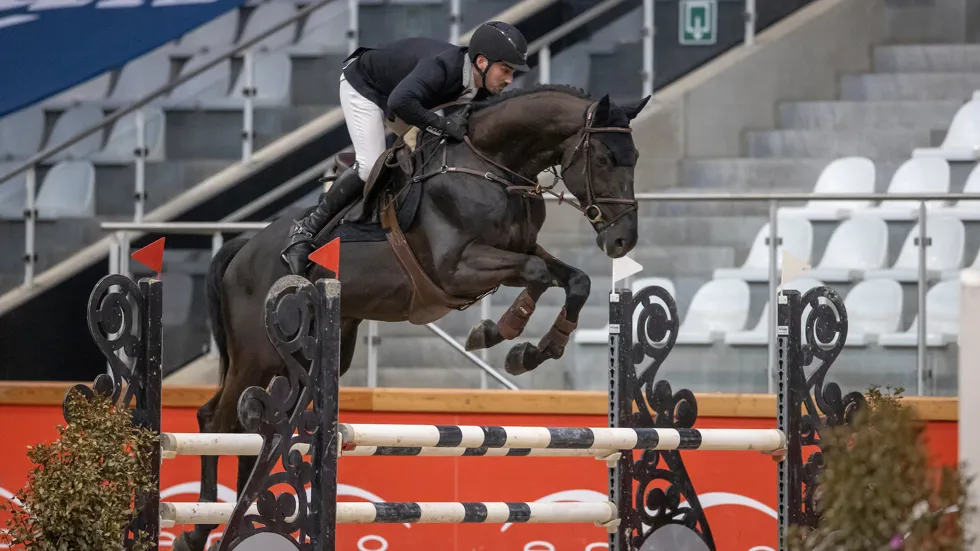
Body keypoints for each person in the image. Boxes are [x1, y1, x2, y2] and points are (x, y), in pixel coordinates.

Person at [280, 21, 530, 275]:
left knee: (430, 158)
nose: (510, 80)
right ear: (482, 62)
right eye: (506, 70)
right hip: (366, 87)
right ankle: (305, 231)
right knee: (369, 166)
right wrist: (442, 125)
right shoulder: (444, 67)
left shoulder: (479, 84)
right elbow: (400, 101)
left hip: (401, 96)